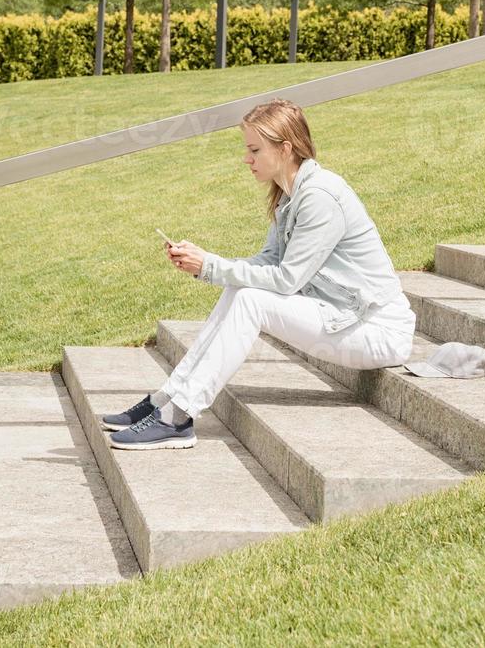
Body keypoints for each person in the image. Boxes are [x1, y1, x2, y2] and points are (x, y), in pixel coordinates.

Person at [100, 97, 416, 450]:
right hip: (341, 320)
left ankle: (178, 417)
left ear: (285, 148)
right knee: (239, 291)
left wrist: (211, 267)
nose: (246, 158)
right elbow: (267, 262)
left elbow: (287, 280)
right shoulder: (288, 195)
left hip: (378, 332)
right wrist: (205, 261)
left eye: (254, 149)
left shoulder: (321, 197)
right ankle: (167, 399)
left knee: (250, 299)